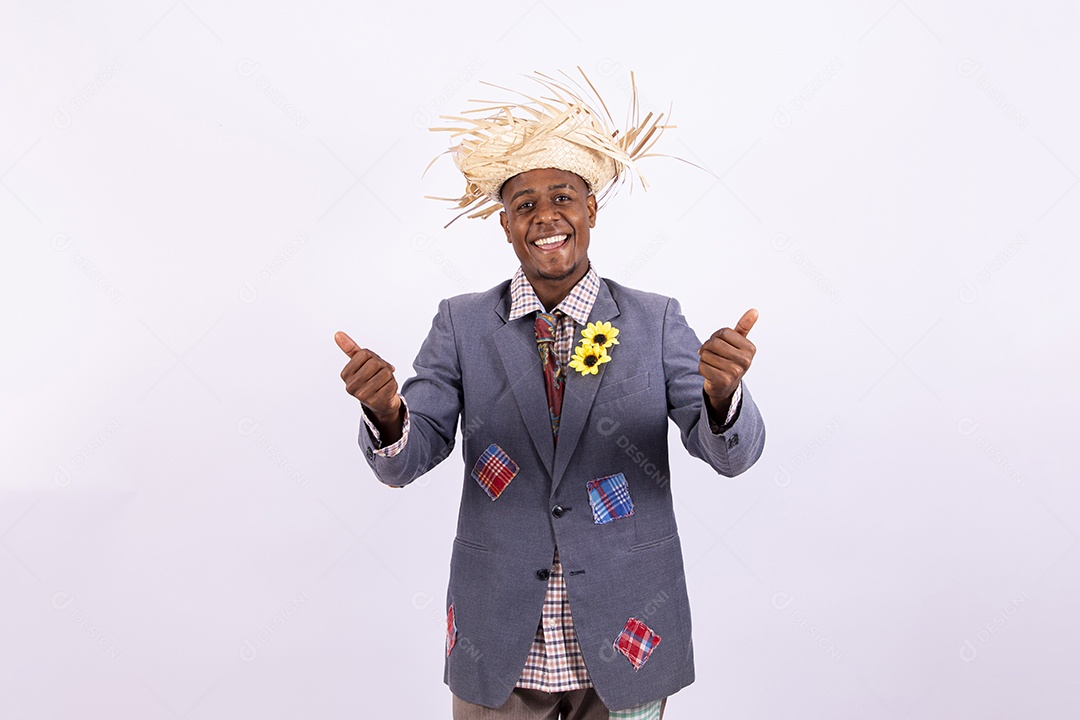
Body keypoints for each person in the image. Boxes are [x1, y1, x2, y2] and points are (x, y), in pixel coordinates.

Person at [336, 70, 765, 720]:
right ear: (506, 226)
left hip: (628, 638)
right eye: (524, 204)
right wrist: (386, 413)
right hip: (500, 642)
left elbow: (731, 456)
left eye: (561, 196)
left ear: (591, 208)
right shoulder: (463, 324)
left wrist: (722, 397)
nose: (545, 216)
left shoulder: (653, 321)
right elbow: (407, 456)